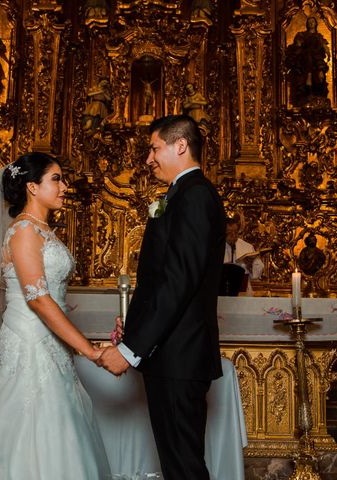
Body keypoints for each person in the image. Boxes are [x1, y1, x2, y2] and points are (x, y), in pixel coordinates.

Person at [0, 153, 111, 479]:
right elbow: (37, 299)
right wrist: (89, 350)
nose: (64, 187)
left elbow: (52, 296)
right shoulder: (23, 231)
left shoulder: (42, 230)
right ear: (32, 187)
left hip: (51, 344)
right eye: (56, 179)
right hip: (29, 344)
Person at [98, 114, 226, 480]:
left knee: (184, 467)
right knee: (176, 465)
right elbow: (160, 280)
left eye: (154, 148)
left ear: (180, 145)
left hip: (179, 357)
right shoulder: (180, 195)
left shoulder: (196, 196)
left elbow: (179, 281)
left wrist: (130, 349)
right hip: (170, 355)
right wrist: (134, 326)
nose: (149, 159)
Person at [285, 15, 330, 107]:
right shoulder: (302, 35)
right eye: (309, 22)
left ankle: (315, 90)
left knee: (319, 78)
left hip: (317, 61)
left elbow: (324, 47)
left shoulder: (319, 36)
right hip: (304, 61)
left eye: (313, 22)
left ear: (316, 24)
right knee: (308, 55)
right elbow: (298, 45)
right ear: (307, 24)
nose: (311, 23)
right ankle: (308, 78)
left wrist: (327, 52)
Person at [224, 217, 264, 295]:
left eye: (235, 232)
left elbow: (259, 271)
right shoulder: (216, 247)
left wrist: (250, 266)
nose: (233, 235)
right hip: (222, 292)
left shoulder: (246, 247)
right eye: (229, 232)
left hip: (243, 292)